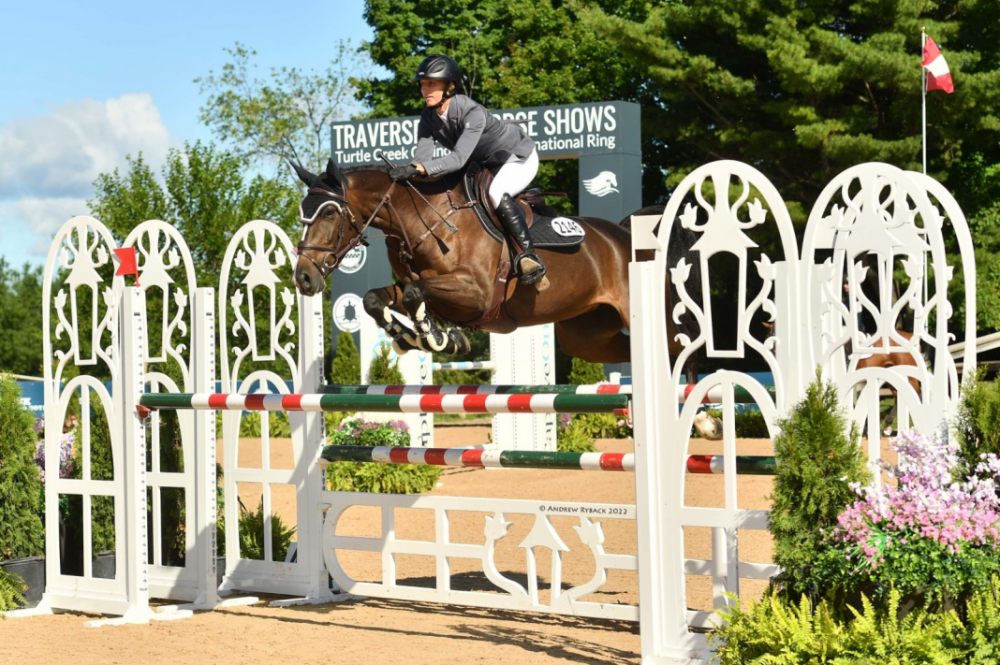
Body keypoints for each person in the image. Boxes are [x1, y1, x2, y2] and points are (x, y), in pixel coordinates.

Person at [388, 54, 547, 287]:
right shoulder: (427, 117)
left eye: (432, 83)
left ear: (450, 87)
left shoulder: (472, 111)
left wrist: (419, 168)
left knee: (496, 193)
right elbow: (422, 159)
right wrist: (409, 171)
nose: (425, 90)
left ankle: (528, 257)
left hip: (517, 157)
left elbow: (458, 158)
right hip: (486, 164)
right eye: (423, 84)